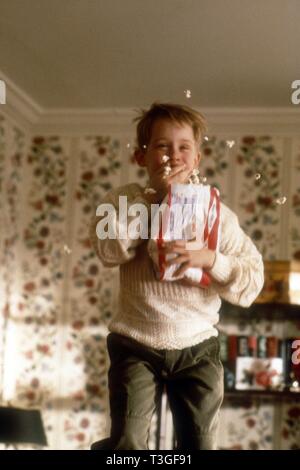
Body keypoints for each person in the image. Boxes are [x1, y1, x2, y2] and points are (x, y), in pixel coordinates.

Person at [89, 102, 264, 450]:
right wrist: (155, 201)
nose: (174, 155)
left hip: (197, 345)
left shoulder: (216, 214)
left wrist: (211, 259)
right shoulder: (124, 200)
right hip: (135, 341)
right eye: (162, 146)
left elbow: (251, 284)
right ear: (142, 157)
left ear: (197, 159)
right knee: (127, 443)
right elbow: (108, 250)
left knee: (199, 443)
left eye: (184, 147)